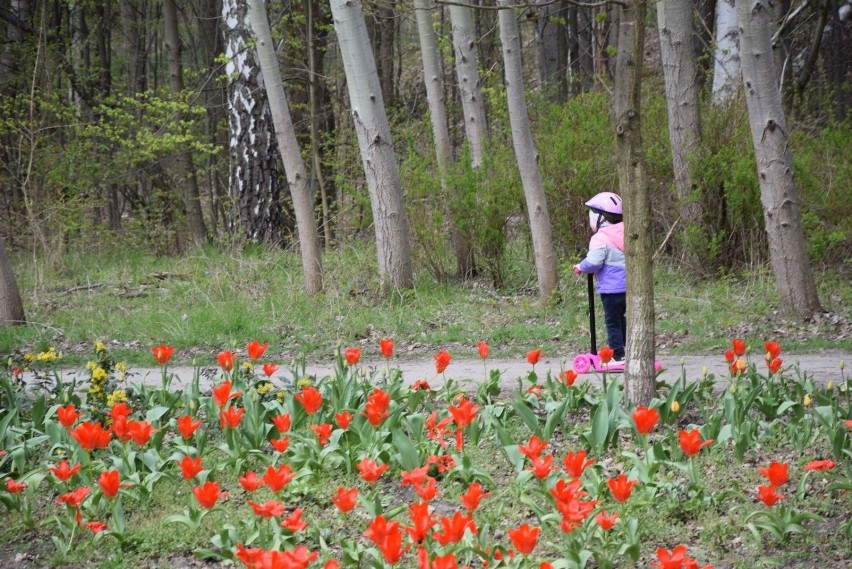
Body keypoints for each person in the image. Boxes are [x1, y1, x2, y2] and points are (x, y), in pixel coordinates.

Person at [572, 192, 625, 363]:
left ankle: (617, 354)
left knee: (612, 322)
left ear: (600, 217)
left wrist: (581, 267)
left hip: (611, 289)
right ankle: (628, 348)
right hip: (629, 288)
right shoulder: (627, 232)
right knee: (623, 319)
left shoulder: (600, 238)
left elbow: (594, 262)